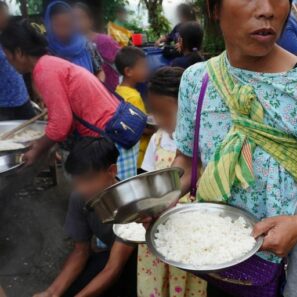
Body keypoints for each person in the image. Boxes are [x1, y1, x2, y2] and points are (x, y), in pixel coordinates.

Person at [167, 1, 297, 296]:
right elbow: (187, 161)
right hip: (219, 261)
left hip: (289, 268)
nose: (267, 10)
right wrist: (162, 200)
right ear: (213, 9)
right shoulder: (197, 80)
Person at [0, 20, 138, 180]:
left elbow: (61, 124)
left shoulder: (44, 70)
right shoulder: (49, 63)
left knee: (111, 200)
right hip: (115, 132)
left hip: (112, 139)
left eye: (8, 56)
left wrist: (38, 150)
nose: (9, 62)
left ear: (19, 52)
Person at [33, 137, 137, 297]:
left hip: (136, 263)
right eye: (77, 182)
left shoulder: (131, 203)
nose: (82, 189)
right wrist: (51, 292)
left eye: (89, 179)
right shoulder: (79, 198)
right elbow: (80, 251)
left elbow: (114, 268)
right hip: (109, 256)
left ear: (112, 171)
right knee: (69, 289)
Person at [137, 67, 207, 297]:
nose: (158, 120)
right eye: (154, 112)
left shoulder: (206, 142)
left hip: (193, 239)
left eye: (165, 112)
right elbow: (150, 178)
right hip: (161, 234)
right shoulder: (157, 140)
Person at [45, 1, 104, 78]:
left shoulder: (86, 46)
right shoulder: (47, 51)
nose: (63, 30)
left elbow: (100, 71)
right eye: (58, 25)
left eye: (66, 24)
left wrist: (97, 85)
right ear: (50, 26)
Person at [115, 46, 150, 168]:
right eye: (143, 67)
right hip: (139, 152)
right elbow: (140, 127)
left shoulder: (118, 90)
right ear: (128, 71)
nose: (147, 70)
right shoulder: (134, 97)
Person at [0, 1, 36, 120]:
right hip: (3, 104)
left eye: (6, 13)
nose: (6, 17)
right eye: (2, 13)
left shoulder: (13, 34)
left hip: (21, 96)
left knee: (31, 131)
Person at [73, 2, 121, 91]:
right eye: (74, 19)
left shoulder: (105, 41)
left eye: (81, 18)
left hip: (110, 91)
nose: (78, 22)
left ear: (90, 21)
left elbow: (122, 61)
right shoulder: (69, 47)